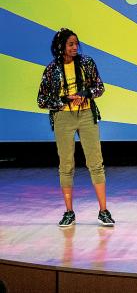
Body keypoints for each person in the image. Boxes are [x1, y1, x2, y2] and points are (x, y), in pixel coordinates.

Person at [37, 28, 115, 227]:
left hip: (87, 114)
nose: (74, 47)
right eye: (70, 44)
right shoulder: (51, 69)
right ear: (61, 46)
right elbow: (41, 99)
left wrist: (85, 94)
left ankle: (103, 211)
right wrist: (62, 100)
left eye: (76, 44)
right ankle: (69, 212)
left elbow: (100, 87)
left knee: (96, 162)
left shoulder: (87, 63)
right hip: (63, 117)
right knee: (66, 165)